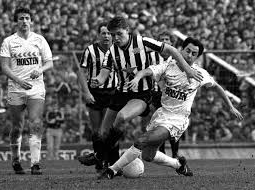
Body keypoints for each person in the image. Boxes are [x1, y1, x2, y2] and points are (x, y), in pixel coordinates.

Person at [98, 37, 243, 179]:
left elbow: (217, 87)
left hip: (177, 120)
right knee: (148, 156)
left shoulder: (200, 74)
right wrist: (137, 77)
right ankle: (178, 165)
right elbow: (148, 70)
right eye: (188, 51)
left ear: (197, 57)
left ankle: (112, 170)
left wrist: (230, 107)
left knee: (141, 141)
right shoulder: (168, 66)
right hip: (161, 115)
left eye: (194, 54)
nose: (189, 55)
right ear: (181, 50)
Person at [77, 16, 203, 171]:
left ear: (127, 31)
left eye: (119, 34)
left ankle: (99, 156)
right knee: (103, 134)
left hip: (141, 95)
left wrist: (188, 70)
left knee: (122, 117)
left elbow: (171, 50)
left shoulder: (142, 42)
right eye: (112, 34)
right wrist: (97, 80)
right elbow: (103, 75)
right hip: (119, 94)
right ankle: (105, 161)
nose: (115, 38)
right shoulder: (111, 52)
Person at [0, 7, 54, 175]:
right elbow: (4, 67)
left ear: (31, 21)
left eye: (27, 18)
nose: (24, 21)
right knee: (17, 127)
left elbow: (49, 63)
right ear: (16, 21)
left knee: (35, 123)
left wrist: (41, 69)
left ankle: (35, 163)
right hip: (16, 89)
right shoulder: (9, 41)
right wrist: (19, 80)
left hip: (36, 88)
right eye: (21, 18)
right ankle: (16, 160)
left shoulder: (39, 39)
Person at [77, 22, 118, 172]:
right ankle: (100, 162)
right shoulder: (90, 50)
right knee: (96, 131)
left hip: (112, 92)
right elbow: (81, 73)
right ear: (98, 35)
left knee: (108, 130)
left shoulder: (118, 49)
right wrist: (86, 93)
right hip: (94, 93)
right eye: (103, 33)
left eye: (109, 33)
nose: (106, 36)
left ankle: (113, 162)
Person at [143, 30, 180, 157]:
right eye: (162, 40)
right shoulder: (151, 56)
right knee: (160, 123)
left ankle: (175, 153)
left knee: (174, 123)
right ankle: (162, 151)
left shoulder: (176, 56)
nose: (164, 42)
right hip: (156, 94)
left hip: (172, 95)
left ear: (172, 42)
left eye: (167, 39)